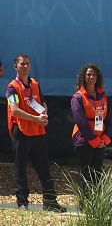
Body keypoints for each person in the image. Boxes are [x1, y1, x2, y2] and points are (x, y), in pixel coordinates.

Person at [5, 54, 66, 212]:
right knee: (21, 168)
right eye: (22, 64)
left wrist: (45, 114)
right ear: (15, 67)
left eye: (27, 64)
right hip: (21, 132)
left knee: (44, 167)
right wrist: (35, 118)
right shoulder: (12, 87)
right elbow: (15, 110)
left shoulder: (35, 84)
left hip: (38, 132)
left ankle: (51, 202)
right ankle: (22, 202)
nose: (25, 66)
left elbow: (42, 102)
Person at [70, 64, 112, 192]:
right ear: (83, 77)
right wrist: (93, 140)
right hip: (84, 140)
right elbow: (80, 121)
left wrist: (105, 138)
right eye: (88, 74)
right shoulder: (78, 97)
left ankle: (96, 204)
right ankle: (84, 205)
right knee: (85, 173)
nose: (91, 77)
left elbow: (109, 118)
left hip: (101, 140)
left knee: (97, 172)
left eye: (94, 74)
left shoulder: (103, 96)